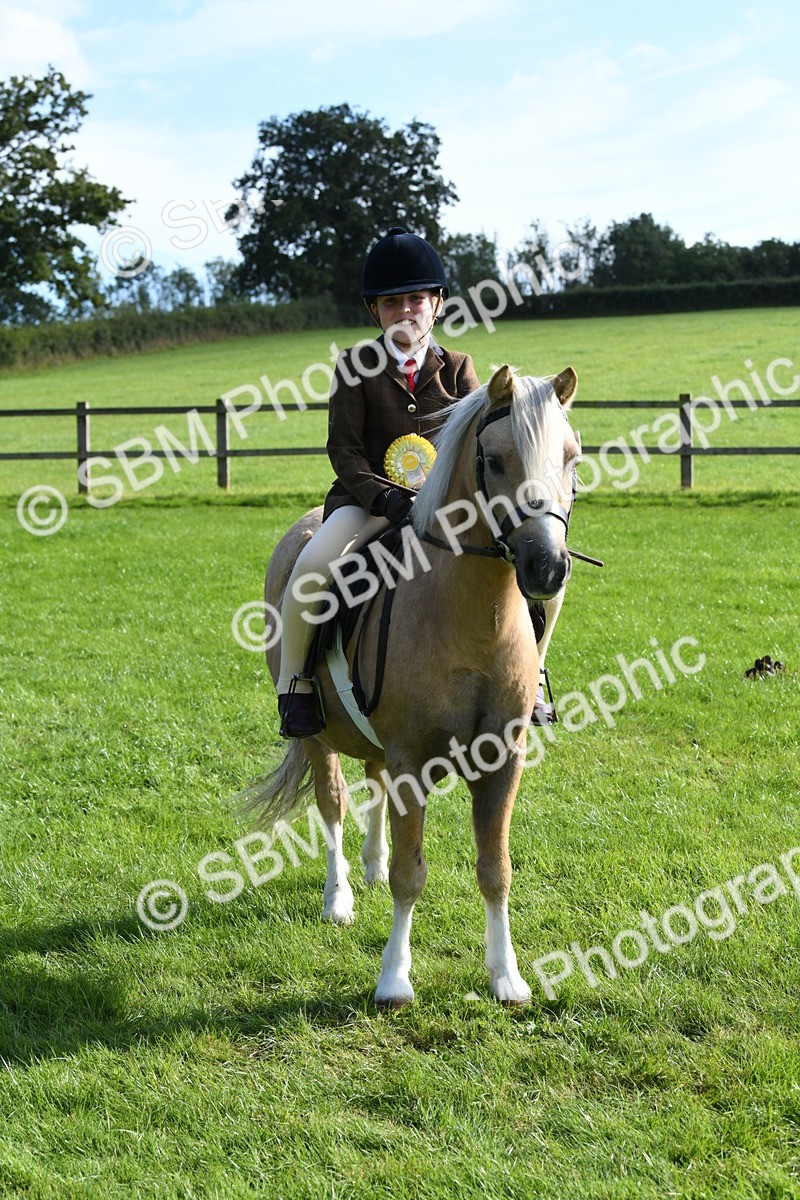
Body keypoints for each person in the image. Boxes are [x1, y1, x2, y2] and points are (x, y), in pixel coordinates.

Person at [275, 226, 561, 738]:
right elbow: (344, 452)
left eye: (414, 300)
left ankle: (533, 673)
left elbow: (482, 443)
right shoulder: (353, 369)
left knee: (546, 573)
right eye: (391, 304)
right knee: (313, 565)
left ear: (436, 304)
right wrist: (385, 496)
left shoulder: (459, 369)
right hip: (368, 505)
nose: (404, 312)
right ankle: (295, 682)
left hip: (451, 510)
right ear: (374, 312)